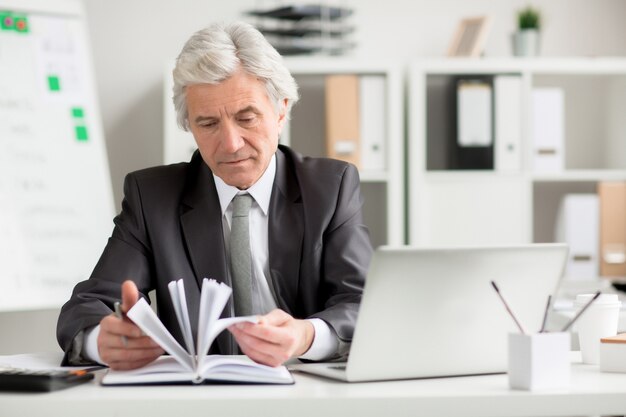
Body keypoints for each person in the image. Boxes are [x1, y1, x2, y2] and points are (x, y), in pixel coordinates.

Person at [56, 21, 372, 370]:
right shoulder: (153, 197)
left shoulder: (330, 187)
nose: (231, 144)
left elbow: (363, 303)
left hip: (302, 389)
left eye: (246, 118)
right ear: (189, 124)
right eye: (207, 124)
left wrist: (307, 335)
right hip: (197, 395)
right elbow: (87, 305)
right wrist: (102, 340)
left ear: (281, 110)